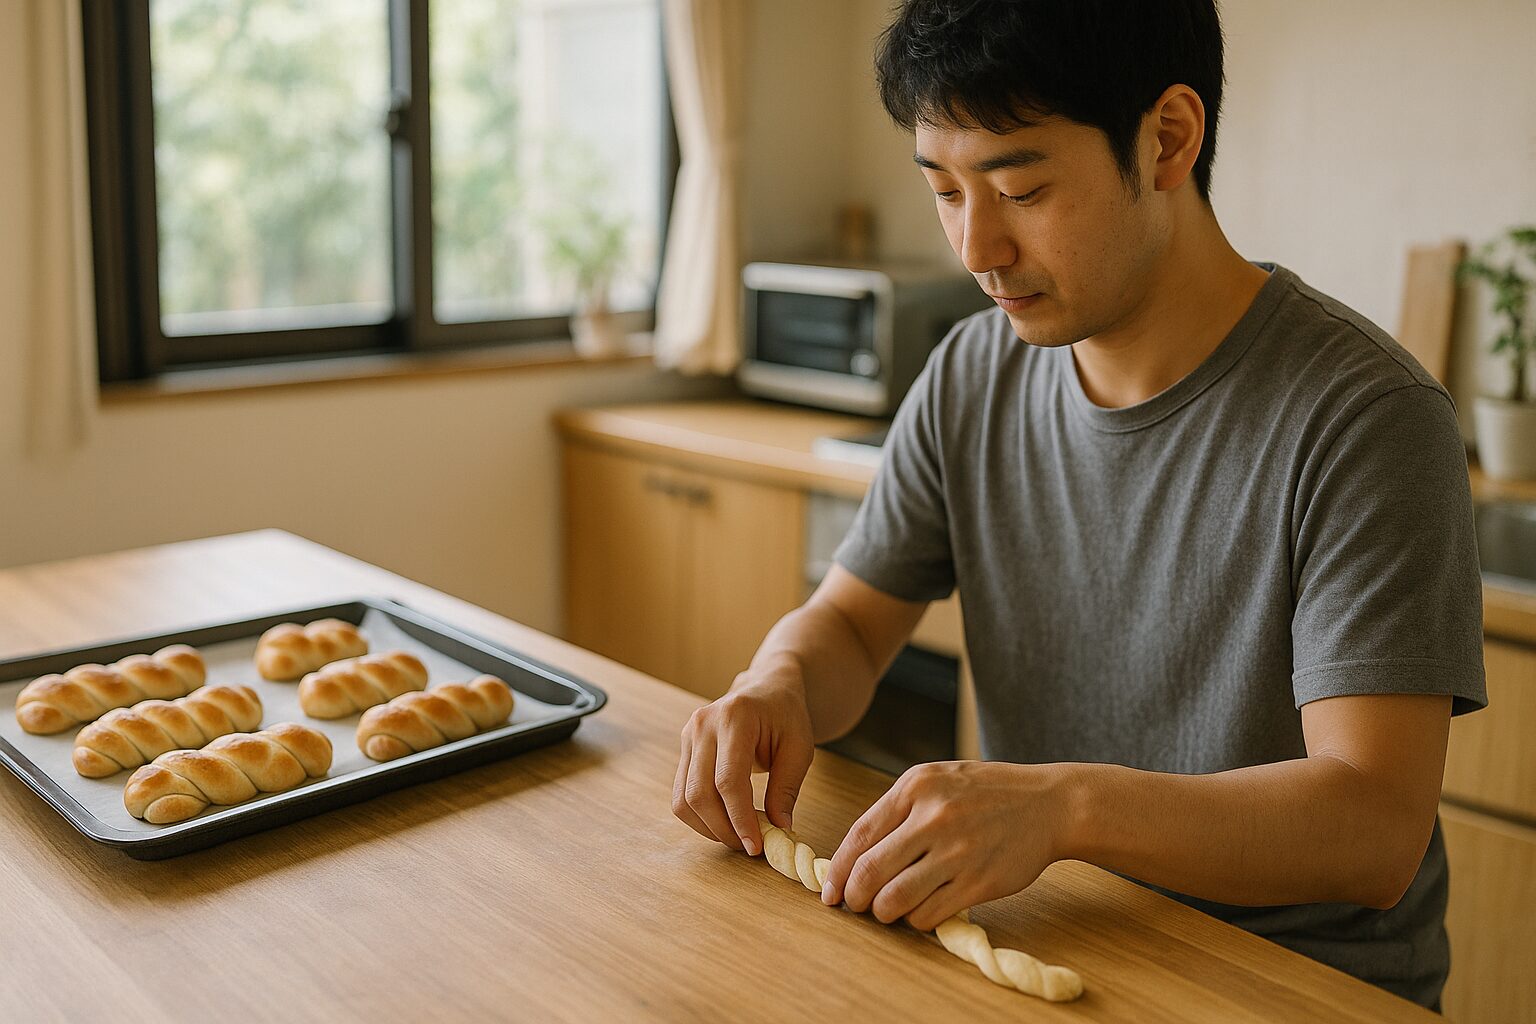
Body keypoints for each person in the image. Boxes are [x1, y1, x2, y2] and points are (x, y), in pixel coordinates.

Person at [671, 0, 1486, 1009]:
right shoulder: (972, 374)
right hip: (1062, 944)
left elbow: (1372, 827)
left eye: (1020, 188)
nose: (977, 247)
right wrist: (778, 684)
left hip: (1295, 986)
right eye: (944, 191)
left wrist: (1062, 808)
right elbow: (850, 621)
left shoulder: (1367, 418)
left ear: (1168, 140)